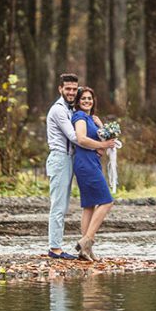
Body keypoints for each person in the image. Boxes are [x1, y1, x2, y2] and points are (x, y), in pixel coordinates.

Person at [45, 74, 115, 259]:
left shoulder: (72, 111)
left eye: (73, 89)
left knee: (85, 204)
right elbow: (76, 138)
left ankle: (85, 247)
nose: (71, 92)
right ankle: (55, 248)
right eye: (67, 88)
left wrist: (100, 131)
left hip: (72, 159)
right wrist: (102, 144)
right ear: (60, 88)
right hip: (60, 159)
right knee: (59, 205)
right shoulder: (60, 110)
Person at [71, 87, 114, 261]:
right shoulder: (80, 117)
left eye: (90, 98)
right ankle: (87, 240)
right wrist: (103, 146)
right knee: (107, 201)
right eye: (83, 99)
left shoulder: (91, 118)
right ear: (78, 101)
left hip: (91, 161)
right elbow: (81, 139)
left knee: (89, 205)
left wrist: (100, 125)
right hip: (85, 163)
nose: (87, 101)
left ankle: (85, 251)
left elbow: (103, 139)